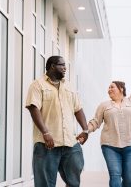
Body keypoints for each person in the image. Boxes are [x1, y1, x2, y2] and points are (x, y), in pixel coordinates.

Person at [25, 56, 89, 187]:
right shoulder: (38, 85)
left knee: (74, 180)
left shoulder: (69, 86)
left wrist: (85, 129)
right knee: (45, 184)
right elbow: (33, 108)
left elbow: (78, 109)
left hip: (70, 143)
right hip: (47, 144)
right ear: (52, 66)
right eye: (62, 65)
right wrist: (45, 132)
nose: (65, 68)